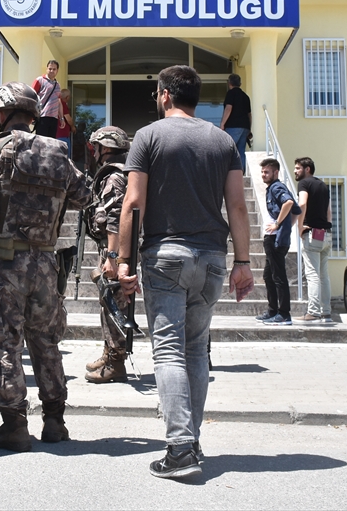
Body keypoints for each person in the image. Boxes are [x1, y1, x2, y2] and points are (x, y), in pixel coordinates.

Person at [119, 65, 253, 479]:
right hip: (212, 258)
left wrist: (123, 259)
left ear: (164, 95)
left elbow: (133, 202)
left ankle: (179, 448)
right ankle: (190, 441)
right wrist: (243, 263)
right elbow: (236, 206)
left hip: (165, 256)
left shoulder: (148, 136)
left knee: (168, 350)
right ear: (198, 98)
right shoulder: (222, 140)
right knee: (196, 349)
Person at [0, 82, 90, 451]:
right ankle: (55, 422)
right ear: (32, 116)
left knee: (5, 344)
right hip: (47, 263)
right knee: (46, 342)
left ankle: (15, 424)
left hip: (4, 263)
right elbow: (85, 196)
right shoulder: (59, 152)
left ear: (1, 114)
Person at [83, 125, 132, 384]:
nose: (94, 151)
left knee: (114, 305)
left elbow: (114, 218)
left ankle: (116, 362)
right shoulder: (120, 172)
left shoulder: (113, 177)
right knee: (108, 303)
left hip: (114, 249)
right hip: (113, 248)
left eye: (96, 147)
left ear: (106, 148)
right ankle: (109, 352)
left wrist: (113, 257)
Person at [257, 158, 298, 326]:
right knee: (269, 275)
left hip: (275, 239)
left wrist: (278, 225)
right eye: (262, 172)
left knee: (278, 276)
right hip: (273, 238)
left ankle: (284, 314)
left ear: (275, 172)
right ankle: (273, 310)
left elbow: (288, 203)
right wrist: (286, 226)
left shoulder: (277, 187)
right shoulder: (272, 189)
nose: (263, 175)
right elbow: (296, 211)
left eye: (266, 172)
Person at [295, 157, 334, 323]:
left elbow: (302, 204)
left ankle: (313, 312)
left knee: (312, 275)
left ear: (307, 169)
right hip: (326, 234)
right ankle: (326, 311)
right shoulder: (323, 186)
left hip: (312, 234)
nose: (296, 171)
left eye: (298, 168)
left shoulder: (304, 184)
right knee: (324, 275)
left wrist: (299, 226)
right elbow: (329, 211)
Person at [218, 73, 251, 171]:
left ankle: (225, 172)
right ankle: (241, 173)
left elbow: (228, 108)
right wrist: (249, 128)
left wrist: (222, 123)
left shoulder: (231, 93)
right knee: (241, 151)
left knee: (227, 149)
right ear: (240, 83)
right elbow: (249, 114)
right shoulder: (245, 96)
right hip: (245, 126)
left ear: (229, 83)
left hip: (233, 126)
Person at [31, 59, 61, 138]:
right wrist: (31, 115)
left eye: (54, 69)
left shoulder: (57, 85)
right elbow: (31, 97)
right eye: (50, 69)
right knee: (41, 142)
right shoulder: (39, 80)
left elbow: (59, 101)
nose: (51, 71)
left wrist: (61, 118)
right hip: (42, 116)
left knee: (51, 143)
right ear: (46, 69)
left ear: (57, 71)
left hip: (54, 118)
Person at [56, 88, 74, 157]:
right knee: (65, 158)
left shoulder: (56, 103)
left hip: (56, 135)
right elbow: (68, 119)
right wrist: (73, 127)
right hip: (62, 136)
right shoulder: (62, 104)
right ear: (67, 97)